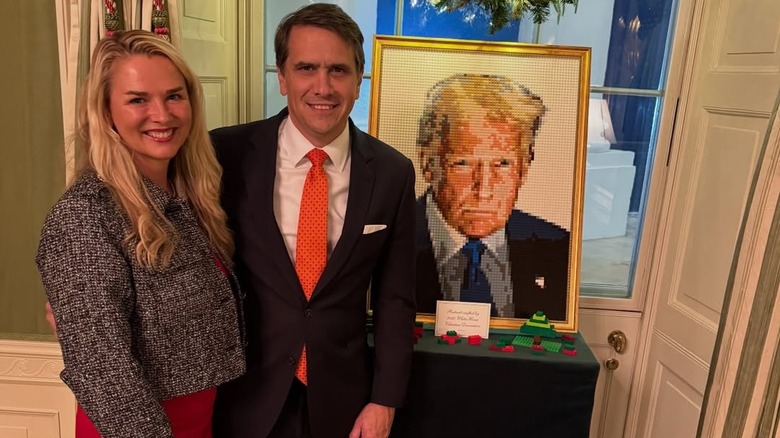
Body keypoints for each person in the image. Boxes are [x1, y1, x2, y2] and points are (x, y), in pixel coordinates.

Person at [210, 4, 417, 438]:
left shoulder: (392, 173)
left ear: (359, 80)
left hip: (344, 401)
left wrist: (385, 400)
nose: (323, 87)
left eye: (338, 70)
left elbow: (395, 298)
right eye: (306, 68)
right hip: (244, 393)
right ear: (283, 77)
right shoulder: (224, 156)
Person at [36, 30, 245, 437]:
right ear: (106, 111)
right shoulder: (85, 216)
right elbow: (102, 371)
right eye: (137, 99)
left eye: (173, 96)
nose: (162, 115)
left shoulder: (189, 197)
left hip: (200, 420)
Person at [414, 73, 571, 320]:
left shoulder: (560, 249)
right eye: (463, 164)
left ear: (524, 168)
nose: (484, 188)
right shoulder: (384, 244)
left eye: (503, 164)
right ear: (428, 164)